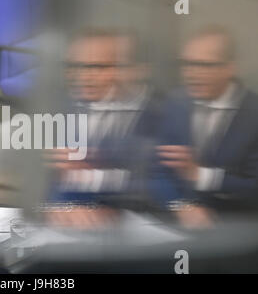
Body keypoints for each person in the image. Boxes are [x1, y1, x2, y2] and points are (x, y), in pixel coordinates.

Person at [45, 29, 176, 228]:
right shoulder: (70, 107)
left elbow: (164, 189)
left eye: (98, 67)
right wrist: (61, 206)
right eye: (74, 67)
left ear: (136, 70)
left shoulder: (164, 115)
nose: (82, 77)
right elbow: (59, 182)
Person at [157, 26, 258, 228]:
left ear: (230, 68)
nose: (192, 74)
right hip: (178, 228)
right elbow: (156, 173)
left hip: (239, 233)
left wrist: (201, 175)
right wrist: (180, 205)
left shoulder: (253, 113)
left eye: (203, 65)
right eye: (187, 64)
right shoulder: (174, 104)